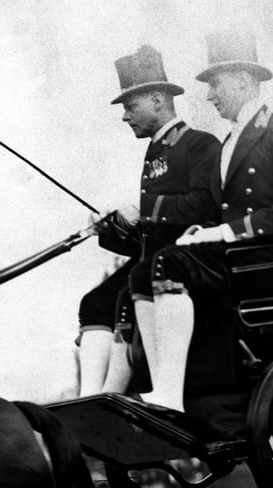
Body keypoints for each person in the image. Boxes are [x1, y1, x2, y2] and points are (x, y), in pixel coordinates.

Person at [128, 29, 273, 412]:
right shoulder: (232, 139)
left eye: (215, 85)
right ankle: (162, 381)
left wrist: (224, 231)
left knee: (168, 264)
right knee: (141, 272)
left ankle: (169, 393)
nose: (210, 96)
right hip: (243, 256)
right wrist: (206, 231)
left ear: (245, 81)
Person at [78, 44, 220, 396]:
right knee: (94, 303)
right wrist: (112, 228)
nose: (126, 117)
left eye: (131, 106)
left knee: (130, 288)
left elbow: (205, 206)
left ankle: (117, 395)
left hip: (192, 262)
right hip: (157, 258)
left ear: (158, 99)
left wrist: (144, 210)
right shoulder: (155, 152)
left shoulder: (200, 145)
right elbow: (149, 236)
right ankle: (92, 400)